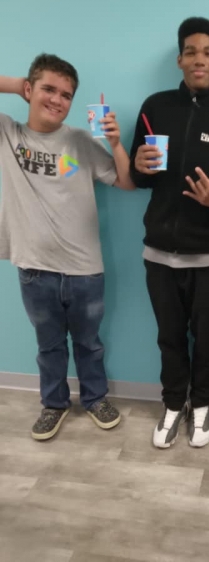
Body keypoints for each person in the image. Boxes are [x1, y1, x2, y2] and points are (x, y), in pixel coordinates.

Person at [129, 17, 209, 449]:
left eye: (208, 52)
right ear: (180, 59)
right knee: (168, 336)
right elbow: (140, 177)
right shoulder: (155, 106)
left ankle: (202, 402)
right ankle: (172, 402)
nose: (199, 59)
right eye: (191, 52)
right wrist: (138, 167)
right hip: (159, 252)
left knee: (206, 338)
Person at [0, 54, 135, 441]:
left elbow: (126, 182)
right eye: (48, 89)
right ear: (30, 89)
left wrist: (115, 144)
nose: (57, 100)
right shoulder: (8, 134)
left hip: (85, 269)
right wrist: (19, 86)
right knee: (49, 346)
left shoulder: (79, 141)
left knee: (90, 344)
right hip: (34, 268)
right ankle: (54, 404)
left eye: (66, 95)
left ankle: (95, 398)